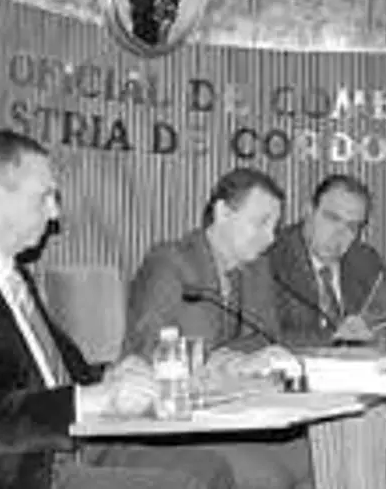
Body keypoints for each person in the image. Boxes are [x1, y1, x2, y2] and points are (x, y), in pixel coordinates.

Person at [0, 129, 235, 489]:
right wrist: (89, 400)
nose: (55, 213)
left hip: (58, 447)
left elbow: (53, 378)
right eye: (44, 196)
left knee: (209, 469)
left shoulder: (10, 273)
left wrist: (112, 376)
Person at [124, 167, 312, 489]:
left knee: (314, 454)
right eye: (261, 223)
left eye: (275, 227)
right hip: (168, 419)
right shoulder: (170, 263)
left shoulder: (256, 268)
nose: (271, 238)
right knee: (269, 476)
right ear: (223, 212)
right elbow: (154, 350)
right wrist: (228, 362)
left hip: (234, 411)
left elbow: (266, 340)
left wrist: (231, 360)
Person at [266, 174, 386, 346]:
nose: (339, 234)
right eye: (332, 219)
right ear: (308, 212)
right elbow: (264, 336)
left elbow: (382, 322)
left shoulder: (365, 261)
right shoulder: (272, 259)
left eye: (351, 226)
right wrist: (333, 336)